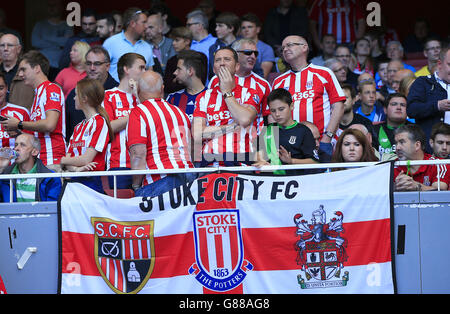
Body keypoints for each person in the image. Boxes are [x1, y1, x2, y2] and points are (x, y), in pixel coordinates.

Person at [127, 70, 195, 197]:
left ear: (139, 89)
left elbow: (138, 154)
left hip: (159, 178)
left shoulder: (139, 112)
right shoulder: (180, 112)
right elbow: (191, 149)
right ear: (162, 88)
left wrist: (136, 185)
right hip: (188, 176)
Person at [192, 47, 260, 167]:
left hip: (241, 160)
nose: (222, 63)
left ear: (237, 66)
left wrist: (226, 92)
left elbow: (244, 119)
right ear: (214, 69)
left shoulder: (250, 92)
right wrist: (233, 126)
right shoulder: (203, 97)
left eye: (227, 59)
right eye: (218, 60)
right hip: (210, 161)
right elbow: (198, 134)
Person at [273, 35, 345, 146]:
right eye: (283, 48)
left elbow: (338, 106)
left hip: (323, 141)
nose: (285, 49)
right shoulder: (279, 81)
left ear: (304, 47)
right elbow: (272, 115)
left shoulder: (324, 73)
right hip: (291, 145)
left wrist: (328, 137)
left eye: (289, 45)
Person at [0, 51, 66, 171]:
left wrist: (19, 124)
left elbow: (50, 125)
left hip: (52, 159)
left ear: (36, 68)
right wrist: (18, 132)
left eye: (23, 69)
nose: (19, 74)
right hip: (39, 160)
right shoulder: (37, 94)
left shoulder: (51, 89)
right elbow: (37, 133)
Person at [60, 78, 113, 194]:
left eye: (75, 95)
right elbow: (69, 161)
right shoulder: (78, 127)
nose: (73, 98)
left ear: (84, 99)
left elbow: (86, 159)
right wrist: (77, 169)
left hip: (91, 182)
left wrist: (61, 160)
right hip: (74, 181)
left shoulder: (100, 122)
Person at [103, 53, 146, 189]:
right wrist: (136, 114)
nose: (145, 72)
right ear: (126, 69)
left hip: (145, 165)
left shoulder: (143, 98)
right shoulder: (108, 95)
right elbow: (108, 127)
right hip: (119, 164)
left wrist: (137, 98)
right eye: (141, 68)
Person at [252, 88, 318, 175]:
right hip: (269, 182)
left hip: (295, 183)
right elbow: (256, 153)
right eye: (273, 111)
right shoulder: (267, 129)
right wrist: (261, 161)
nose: (277, 114)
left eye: (281, 109)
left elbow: (314, 162)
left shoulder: (303, 131)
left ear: (291, 106)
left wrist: (291, 161)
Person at [209, 39, 272, 128]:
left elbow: (269, 117)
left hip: (253, 140)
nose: (253, 56)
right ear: (235, 55)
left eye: (256, 53)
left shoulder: (263, 84)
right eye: (248, 52)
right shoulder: (215, 80)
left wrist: (268, 142)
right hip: (220, 137)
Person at [65, 46, 118, 142]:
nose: (92, 68)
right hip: (78, 150)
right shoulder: (76, 92)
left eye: (97, 64)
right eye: (89, 63)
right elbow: (67, 126)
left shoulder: (117, 92)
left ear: (107, 66)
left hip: (111, 151)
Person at [407, 47, 450, 153]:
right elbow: (411, 109)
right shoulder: (422, 83)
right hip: (429, 151)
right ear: (440, 64)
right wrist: (437, 106)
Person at [0, 133, 62, 203]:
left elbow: (51, 209)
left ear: (34, 152)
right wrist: (1, 168)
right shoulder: (5, 176)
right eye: (16, 145)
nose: (16, 148)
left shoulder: (51, 178)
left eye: (22, 145)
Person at [103, 7, 154, 83]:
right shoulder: (111, 42)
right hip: (115, 92)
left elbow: (150, 74)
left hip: (140, 93)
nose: (146, 26)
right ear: (132, 23)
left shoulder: (147, 47)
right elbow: (101, 68)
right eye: (144, 22)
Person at [394, 124, 449, 191]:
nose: (397, 148)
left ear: (417, 145)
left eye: (402, 142)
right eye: (396, 143)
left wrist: (416, 186)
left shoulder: (439, 164)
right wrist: (394, 187)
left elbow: (440, 193)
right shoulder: (391, 167)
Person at [31, 0, 73, 80]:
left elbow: (67, 42)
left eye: (54, 5)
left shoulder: (67, 25)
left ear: (60, 7)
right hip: (42, 66)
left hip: (61, 66)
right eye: (49, 5)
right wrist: (58, 44)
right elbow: (35, 42)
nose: (52, 8)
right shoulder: (40, 25)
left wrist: (45, 39)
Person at [163, 27, 208, 96]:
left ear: (187, 41)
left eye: (177, 40)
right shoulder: (171, 61)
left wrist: (177, 80)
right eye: (173, 40)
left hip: (199, 96)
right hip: (177, 99)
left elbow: (201, 81)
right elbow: (168, 87)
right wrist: (188, 81)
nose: (173, 43)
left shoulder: (200, 57)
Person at [167, 50, 206, 122]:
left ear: (190, 71)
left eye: (179, 69)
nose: (175, 73)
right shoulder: (172, 98)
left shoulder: (213, 98)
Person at [0, 33, 34, 110]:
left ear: (19, 49)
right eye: (2, 45)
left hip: (23, 120)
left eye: (10, 45)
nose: (5, 48)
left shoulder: (29, 73)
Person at [373, 93, 411, 160]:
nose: (399, 107)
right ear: (385, 110)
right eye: (394, 104)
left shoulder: (414, 130)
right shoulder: (374, 130)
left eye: (403, 105)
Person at [0, 73, 30, 151]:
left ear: (7, 88)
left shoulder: (21, 112)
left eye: (1, 88)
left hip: (16, 162)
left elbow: (33, 143)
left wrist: (19, 133)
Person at [240, 13, 275, 80]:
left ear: (258, 29)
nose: (246, 30)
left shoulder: (266, 49)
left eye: (250, 27)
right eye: (243, 27)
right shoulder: (236, 46)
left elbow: (262, 76)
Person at [207, 12, 239, 80]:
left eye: (220, 26)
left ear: (231, 28)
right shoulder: (213, 48)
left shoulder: (243, 46)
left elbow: (256, 70)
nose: (216, 29)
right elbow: (211, 72)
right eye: (216, 26)